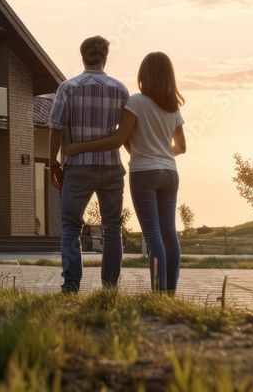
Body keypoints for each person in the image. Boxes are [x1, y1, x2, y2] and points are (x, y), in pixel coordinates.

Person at [65, 52, 186, 295]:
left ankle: (158, 293)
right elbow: (181, 147)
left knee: (153, 235)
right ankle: (170, 292)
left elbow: (119, 139)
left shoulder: (136, 102)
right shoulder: (173, 106)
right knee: (169, 232)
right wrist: (160, 150)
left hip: (144, 173)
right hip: (170, 173)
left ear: (145, 74)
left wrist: (78, 147)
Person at [49, 36, 130, 294]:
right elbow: (126, 134)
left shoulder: (68, 88)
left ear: (82, 56)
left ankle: (71, 285)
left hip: (77, 168)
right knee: (112, 227)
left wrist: (53, 163)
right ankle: (110, 287)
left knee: (71, 226)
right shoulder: (120, 89)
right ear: (105, 57)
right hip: (111, 168)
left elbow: (55, 128)